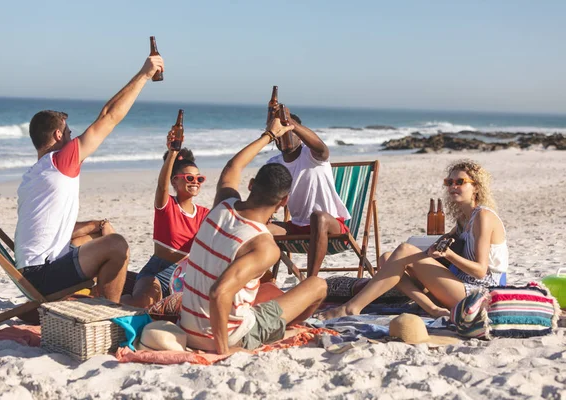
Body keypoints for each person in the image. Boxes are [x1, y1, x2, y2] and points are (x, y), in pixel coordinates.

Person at [14, 54, 165, 303]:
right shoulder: (60, 161)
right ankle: (108, 312)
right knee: (116, 245)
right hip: (41, 277)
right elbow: (109, 117)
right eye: (70, 134)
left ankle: (106, 293)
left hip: (29, 274)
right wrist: (144, 75)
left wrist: (97, 224)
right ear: (58, 134)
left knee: (92, 238)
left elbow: (50, 229)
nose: (75, 140)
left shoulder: (34, 175)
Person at [179, 116, 328, 354]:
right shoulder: (265, 247)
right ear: (284, 201)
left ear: (250, 185)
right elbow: (220, 292)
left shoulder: (222, 205)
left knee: (265, 292)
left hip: (187, 328)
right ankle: (284, 331)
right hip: (226, 337)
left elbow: (232, 167)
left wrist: (268, 136)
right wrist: (223, 350)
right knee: (317, 285)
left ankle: (276, 328)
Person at [319, 159, 509, 320]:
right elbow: (445, 246)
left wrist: (448, 255)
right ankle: (433, 309)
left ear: (476, 186)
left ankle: (351, 307)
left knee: (404, 251)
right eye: (449, 182)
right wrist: (435, 249)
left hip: (479, 292)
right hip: (459, 284)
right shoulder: (463, 219)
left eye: (460, 181)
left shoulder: (483, 216)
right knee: (387, 258)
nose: (453, 186)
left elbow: (480, 271)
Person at [121, 140, 210, 308]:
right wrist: (172, 153)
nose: (195, 181)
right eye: (189, 178)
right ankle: (110, 299)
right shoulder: (167, 205)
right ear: (175, 181)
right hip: (158, 271)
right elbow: (162, 186)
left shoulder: (204, 213)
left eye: (199, 178)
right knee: (141, 305)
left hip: (186, 275)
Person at [266, 111, 351, 278]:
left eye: (289, 132)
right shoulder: (274, 163)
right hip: (297, 227)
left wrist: (290, 122)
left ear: (299, 135)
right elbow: (269, 198)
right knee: (256, 228)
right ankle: (265, 280)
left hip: (331, 227)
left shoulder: (312, 155)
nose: (284, 137)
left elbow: (321, 148)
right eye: (280, 133)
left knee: (318, 217)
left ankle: (311, 281)